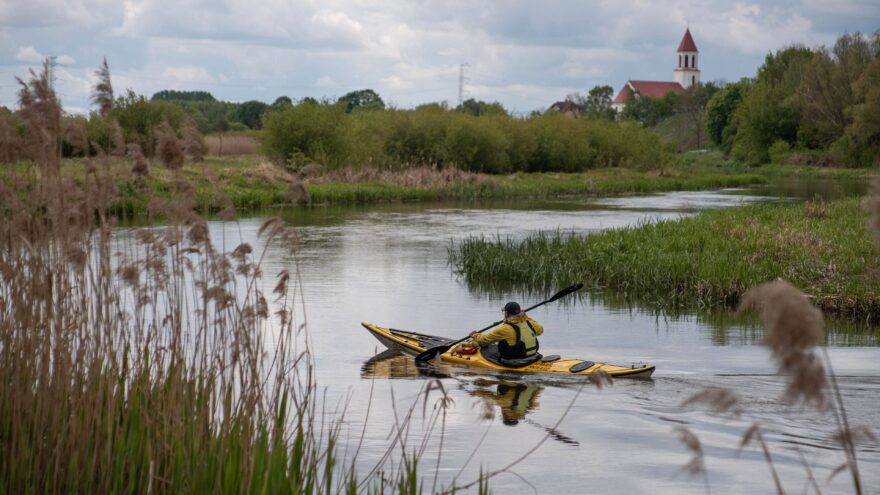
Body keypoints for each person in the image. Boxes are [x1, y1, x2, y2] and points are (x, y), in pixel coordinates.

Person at [468, 302, 543, 360]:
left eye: (504, 312)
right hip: (532, 355)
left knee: (497, 343)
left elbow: (484, 340)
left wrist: (475, 335)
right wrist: (526, 317)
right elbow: (540, 330)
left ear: (506, 313)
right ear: (520, 311)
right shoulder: (529, 322)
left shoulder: (504, 328)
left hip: (515, 358)